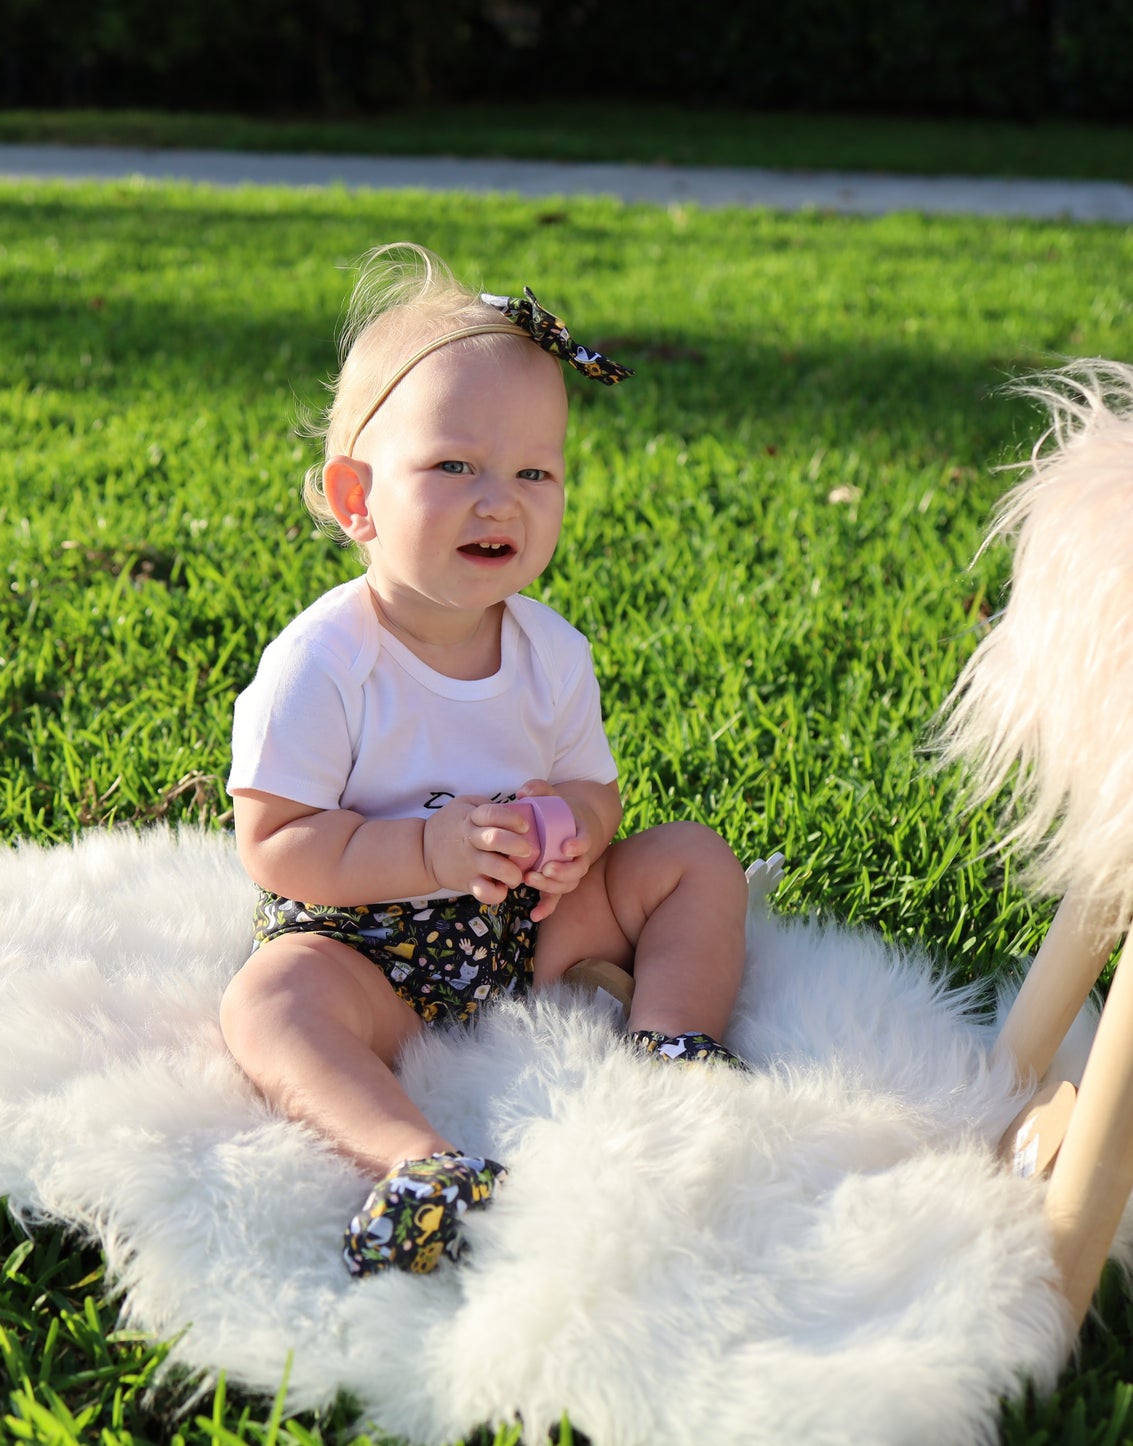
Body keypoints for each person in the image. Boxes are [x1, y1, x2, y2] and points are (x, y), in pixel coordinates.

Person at [222, 242, 748, 1278]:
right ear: (354, 497)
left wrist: (572, 843)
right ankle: (419, 1162)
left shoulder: (549, 651)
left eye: (532, 472)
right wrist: (426, 850)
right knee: (269, 1005)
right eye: (454, 466)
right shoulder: (324, 663)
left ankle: (672, 1045)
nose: (497, 500)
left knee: (689, 856)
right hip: (366, 945)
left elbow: (592, 790)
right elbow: (275, 844)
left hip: (523, 924)